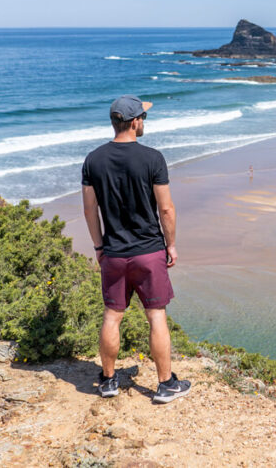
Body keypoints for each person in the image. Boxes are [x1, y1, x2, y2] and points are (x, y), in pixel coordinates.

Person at [82, 95, 191, 403]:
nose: (145, 121)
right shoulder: (153, 158)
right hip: (148, 251)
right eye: (144, 117)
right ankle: (166, 384)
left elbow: (90, 210)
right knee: (156, 316)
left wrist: (99, 246)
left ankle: (107, 380)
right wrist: (170, 244)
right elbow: (166, 209)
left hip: (114, 252)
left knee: (112, 316)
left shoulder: (93, 159)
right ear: (134, 122)